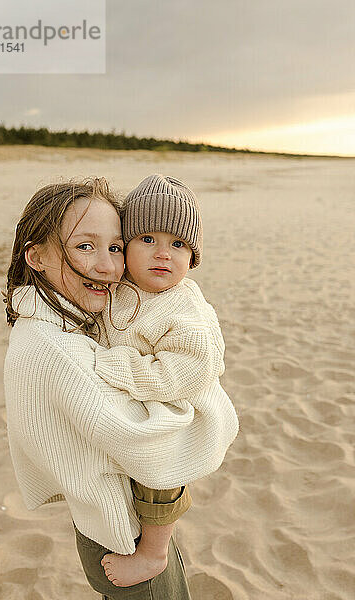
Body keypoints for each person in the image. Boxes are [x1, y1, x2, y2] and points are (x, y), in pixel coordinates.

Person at [3, 177, 239, 600]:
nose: (110, 267)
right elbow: (159, 446)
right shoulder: (61, 351)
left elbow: (189, 370)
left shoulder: (67, 317)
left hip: (124, 514)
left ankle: (157, 549)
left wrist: (206, 405)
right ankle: (155, 551)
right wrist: (208, 416)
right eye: (84, 246)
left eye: (114, 247)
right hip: (119, 531)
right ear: (35, 255)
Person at [79, 174, 238, 588]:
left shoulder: (184, 308)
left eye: (178, 244)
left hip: (180, 405)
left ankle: (154, 553)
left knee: (159, 474)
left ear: (193, 256)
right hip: (140, 397)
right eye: (147, 238)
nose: (162, 254)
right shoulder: (119, 285)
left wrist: (113, 365)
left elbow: (186, 370)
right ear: (125, 245)